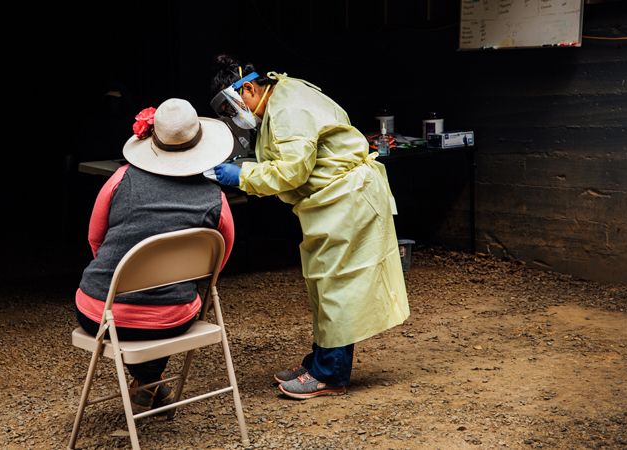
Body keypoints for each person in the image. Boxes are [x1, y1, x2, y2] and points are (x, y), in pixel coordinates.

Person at [210, 55, 410, 400]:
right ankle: (318, 363)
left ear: (250, 88)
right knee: (324, 285)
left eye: (233, 106)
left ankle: (330, 375)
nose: (235, 115)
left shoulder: (289, 109)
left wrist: (241, 176)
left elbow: (291, 172)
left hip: (346, 199)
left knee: (337, 288)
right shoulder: (282, 96)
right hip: (331, 201)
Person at [75, 98, 235, 411]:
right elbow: (219, 260)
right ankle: (148, 383)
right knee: (167, 308)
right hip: (173, 318)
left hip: (100, 312)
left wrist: (127, 277)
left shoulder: (121, 179)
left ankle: (145, 383)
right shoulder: (214, 197)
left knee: (149, 308)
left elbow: (96, 239)